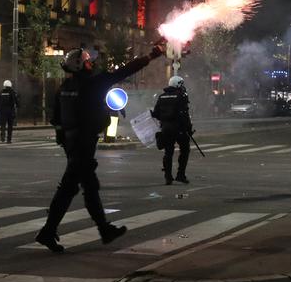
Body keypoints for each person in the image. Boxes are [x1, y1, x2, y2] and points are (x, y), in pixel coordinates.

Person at [35, 40, 166, 253]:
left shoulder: (65, 88)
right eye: (88, 63)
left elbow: (56, 119)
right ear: (80, 65)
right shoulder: (92, 84)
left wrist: (66, 140)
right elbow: (123, 72)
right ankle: (52, 231)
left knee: (83, 187)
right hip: (83, 143)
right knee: (72, 188)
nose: (91, 65)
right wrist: (150, 57)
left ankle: (99, 230)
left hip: (73, 143)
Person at [152, 75, 193, 185]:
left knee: (168, 152)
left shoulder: (162, 96)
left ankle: (168, 177)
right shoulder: (181, 96)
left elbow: (155, 114)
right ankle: (180, 175)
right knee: (185, 150)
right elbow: (184, 114)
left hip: (166, 128)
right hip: (179, 128)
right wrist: (189, 128)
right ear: (178, 84)